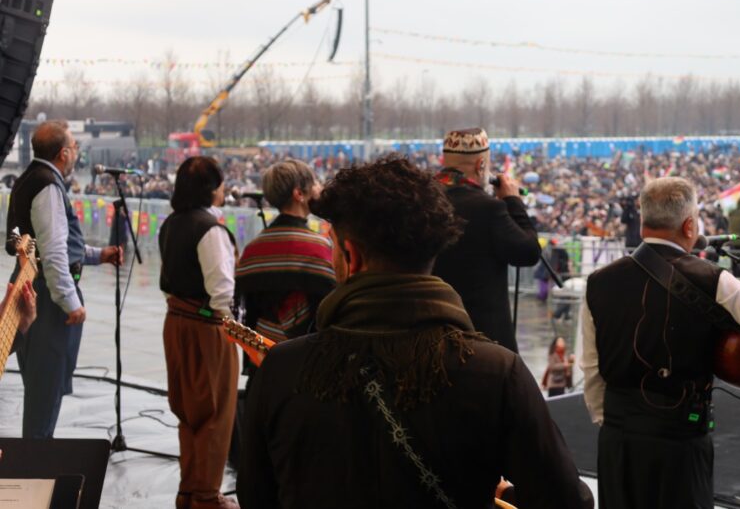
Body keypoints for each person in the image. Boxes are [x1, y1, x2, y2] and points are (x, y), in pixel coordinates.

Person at [238, 156, 592, 508]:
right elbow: (567, 500)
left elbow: (256, 495)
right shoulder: (497, 372)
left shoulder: (282, 369)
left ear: (350, 256)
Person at [580, 177, 740, 509]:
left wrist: (614, 422)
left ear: (643, 222)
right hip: (679, 442)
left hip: (618, 440)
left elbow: (592, 370)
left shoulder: (597, 282)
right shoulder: (710, 278)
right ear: (689, 225)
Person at [5, 120, 121, 439]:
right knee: (45, 393)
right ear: (64, 153)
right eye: (74, 147)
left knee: (40, 389)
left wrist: (98, 255)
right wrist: (70, 303)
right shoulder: (48, 186)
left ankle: (33, 463)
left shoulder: (28, 179)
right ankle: (34, 472)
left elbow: (35, 243)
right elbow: (54, 254)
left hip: (30, 284)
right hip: (46, 298)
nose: (76, 153)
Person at [158, 157, 239, 509]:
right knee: (215, 413)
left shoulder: (171, 224)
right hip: (206, 327)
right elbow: (221, 291)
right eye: (219, 183)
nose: (223, 190)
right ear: (210, 188)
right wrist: (231, 326)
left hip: (174, 321)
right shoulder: (211, 229)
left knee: (188, 411)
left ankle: (189, 491)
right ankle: (206, 496)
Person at [432, 128, 542, 352]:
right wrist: (513, 201)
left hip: (432, 336)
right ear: (481, 165)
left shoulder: (423, 199)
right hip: (483, 341)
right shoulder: (488, 208)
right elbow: (529, 252)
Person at [235, 160, 335, 362]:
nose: (318, 187)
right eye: (314, 183)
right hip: (306, 356)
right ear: (299, 194)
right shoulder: (320, 246)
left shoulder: (253, 249)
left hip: (264, 355)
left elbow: (246, 309)